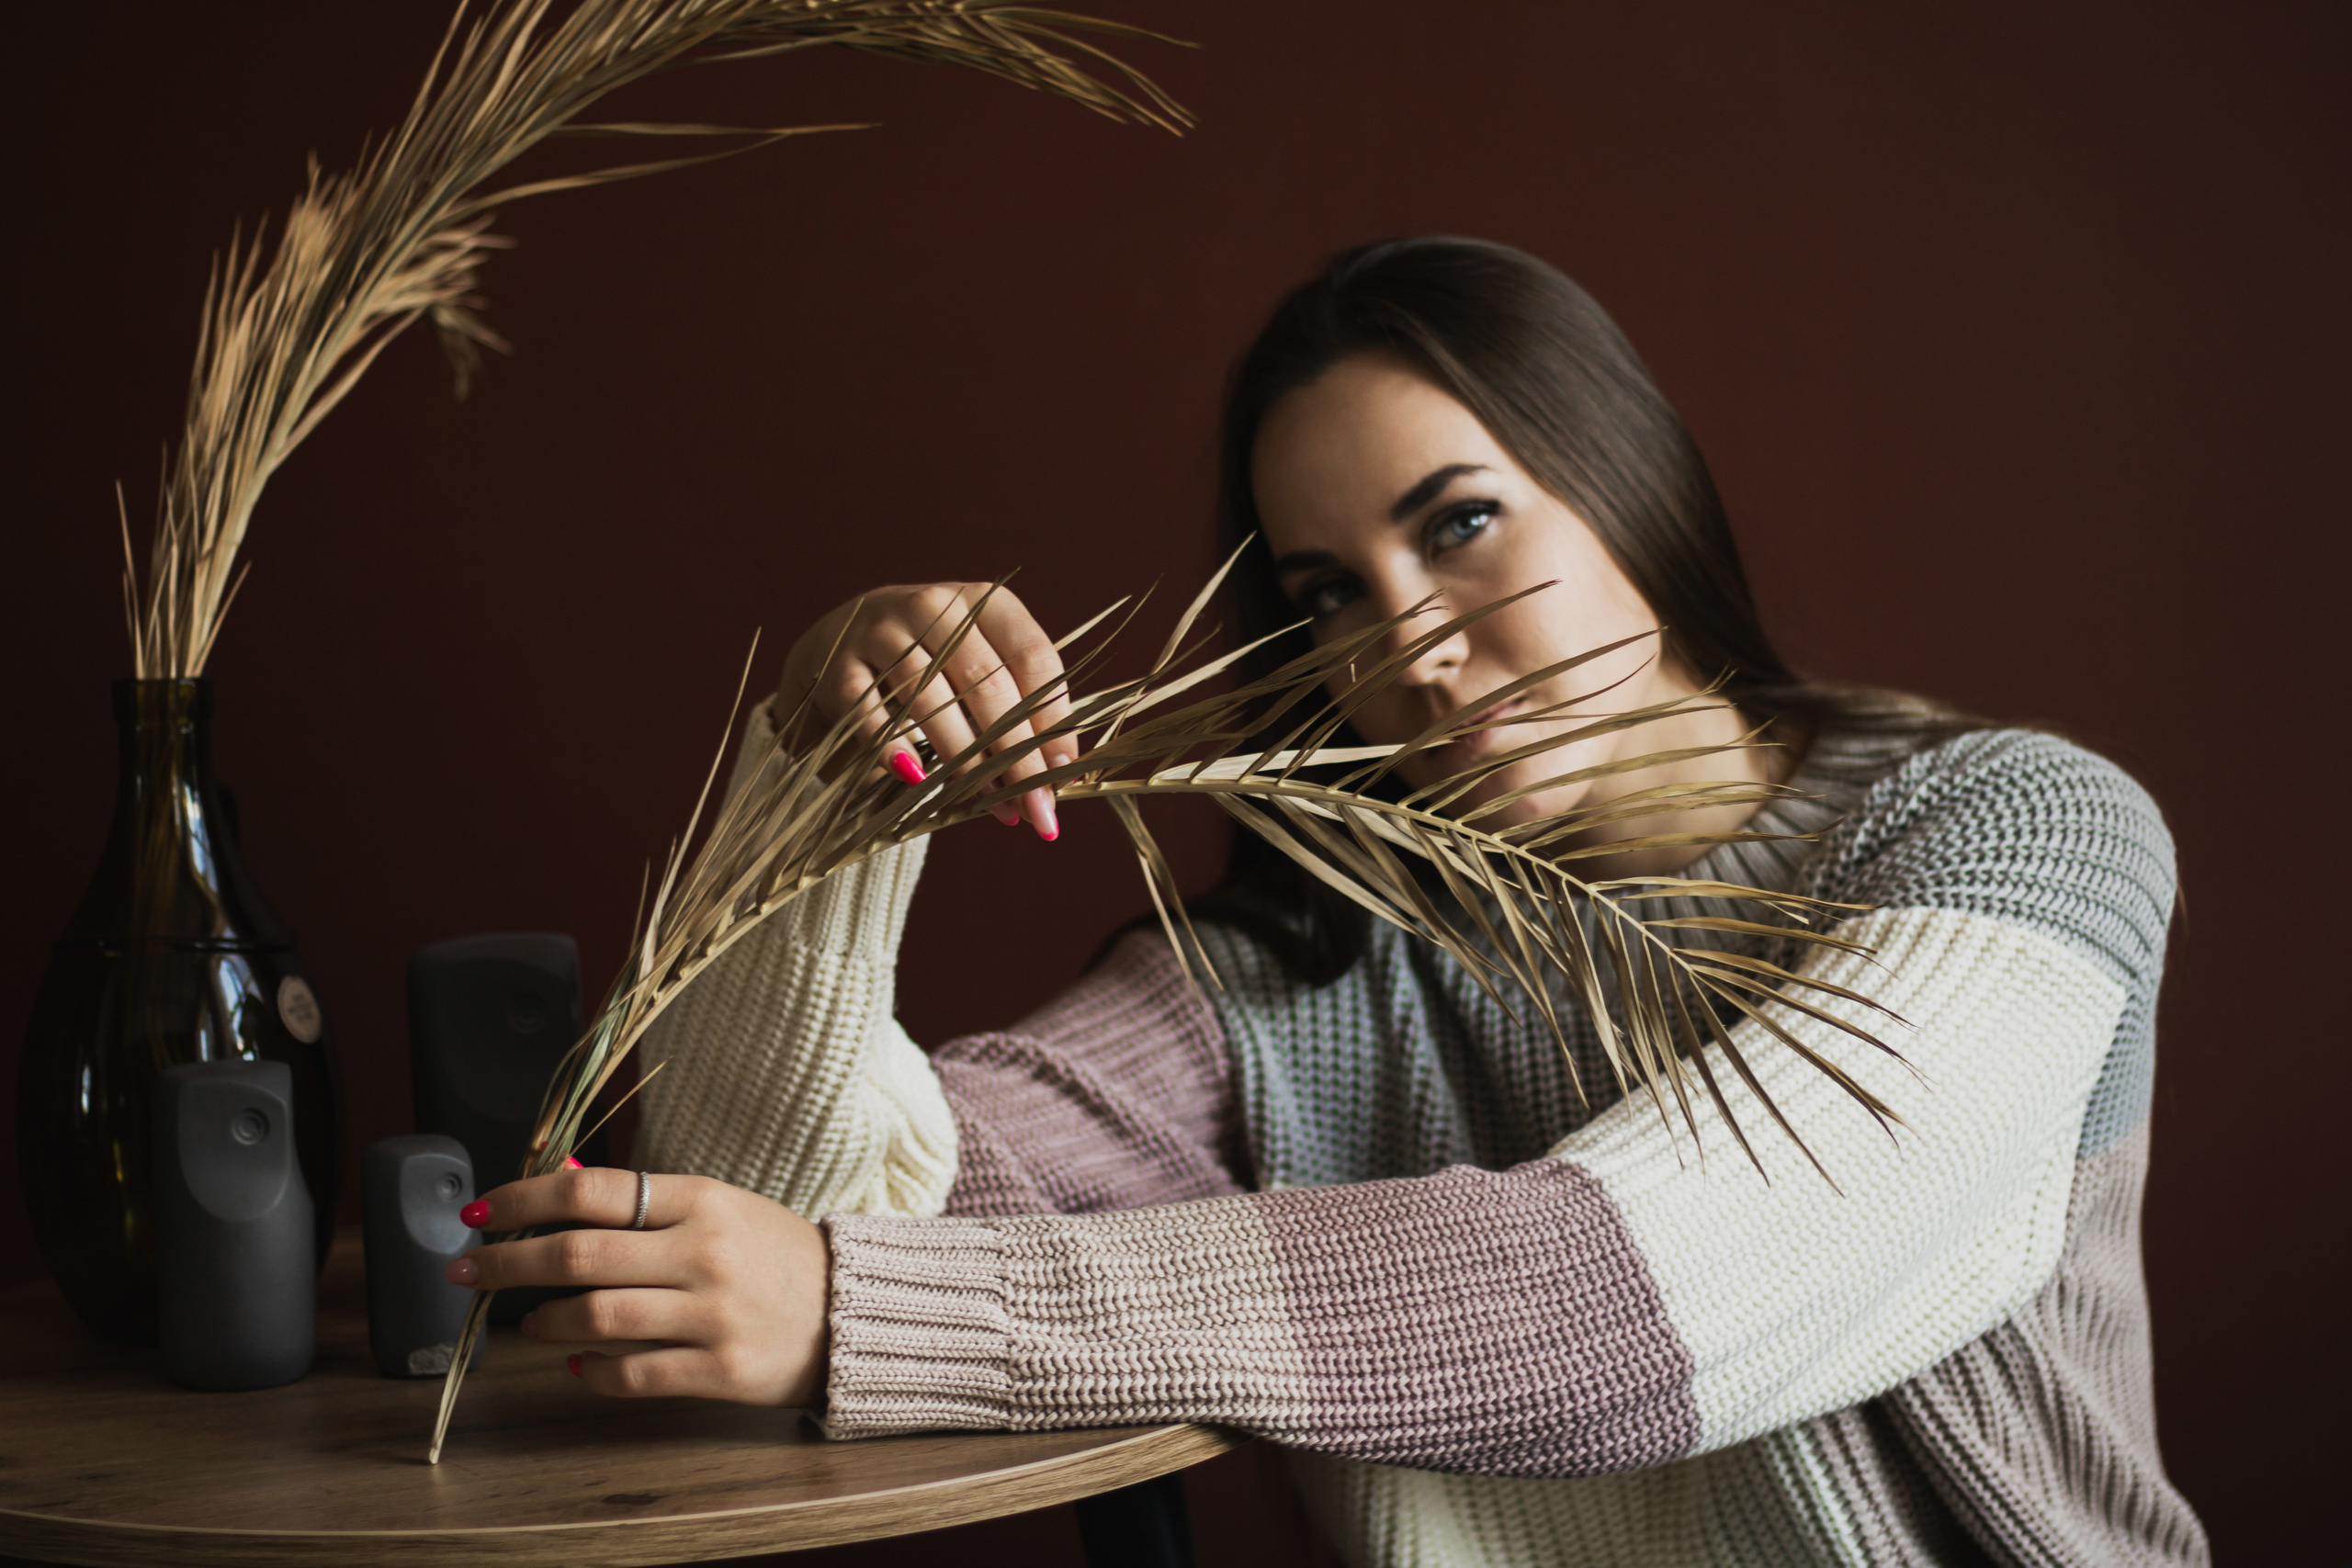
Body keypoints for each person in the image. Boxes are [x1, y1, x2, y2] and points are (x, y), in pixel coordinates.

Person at [446, 238, 2209, 1566]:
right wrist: (832, 777)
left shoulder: (2014, 835)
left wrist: (872, 1314)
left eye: (1460, 524)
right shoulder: (1301, 971)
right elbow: (793, 1216)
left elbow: (1648, 1297)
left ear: (1629, 481)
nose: (1410, 646)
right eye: (1327, 594)